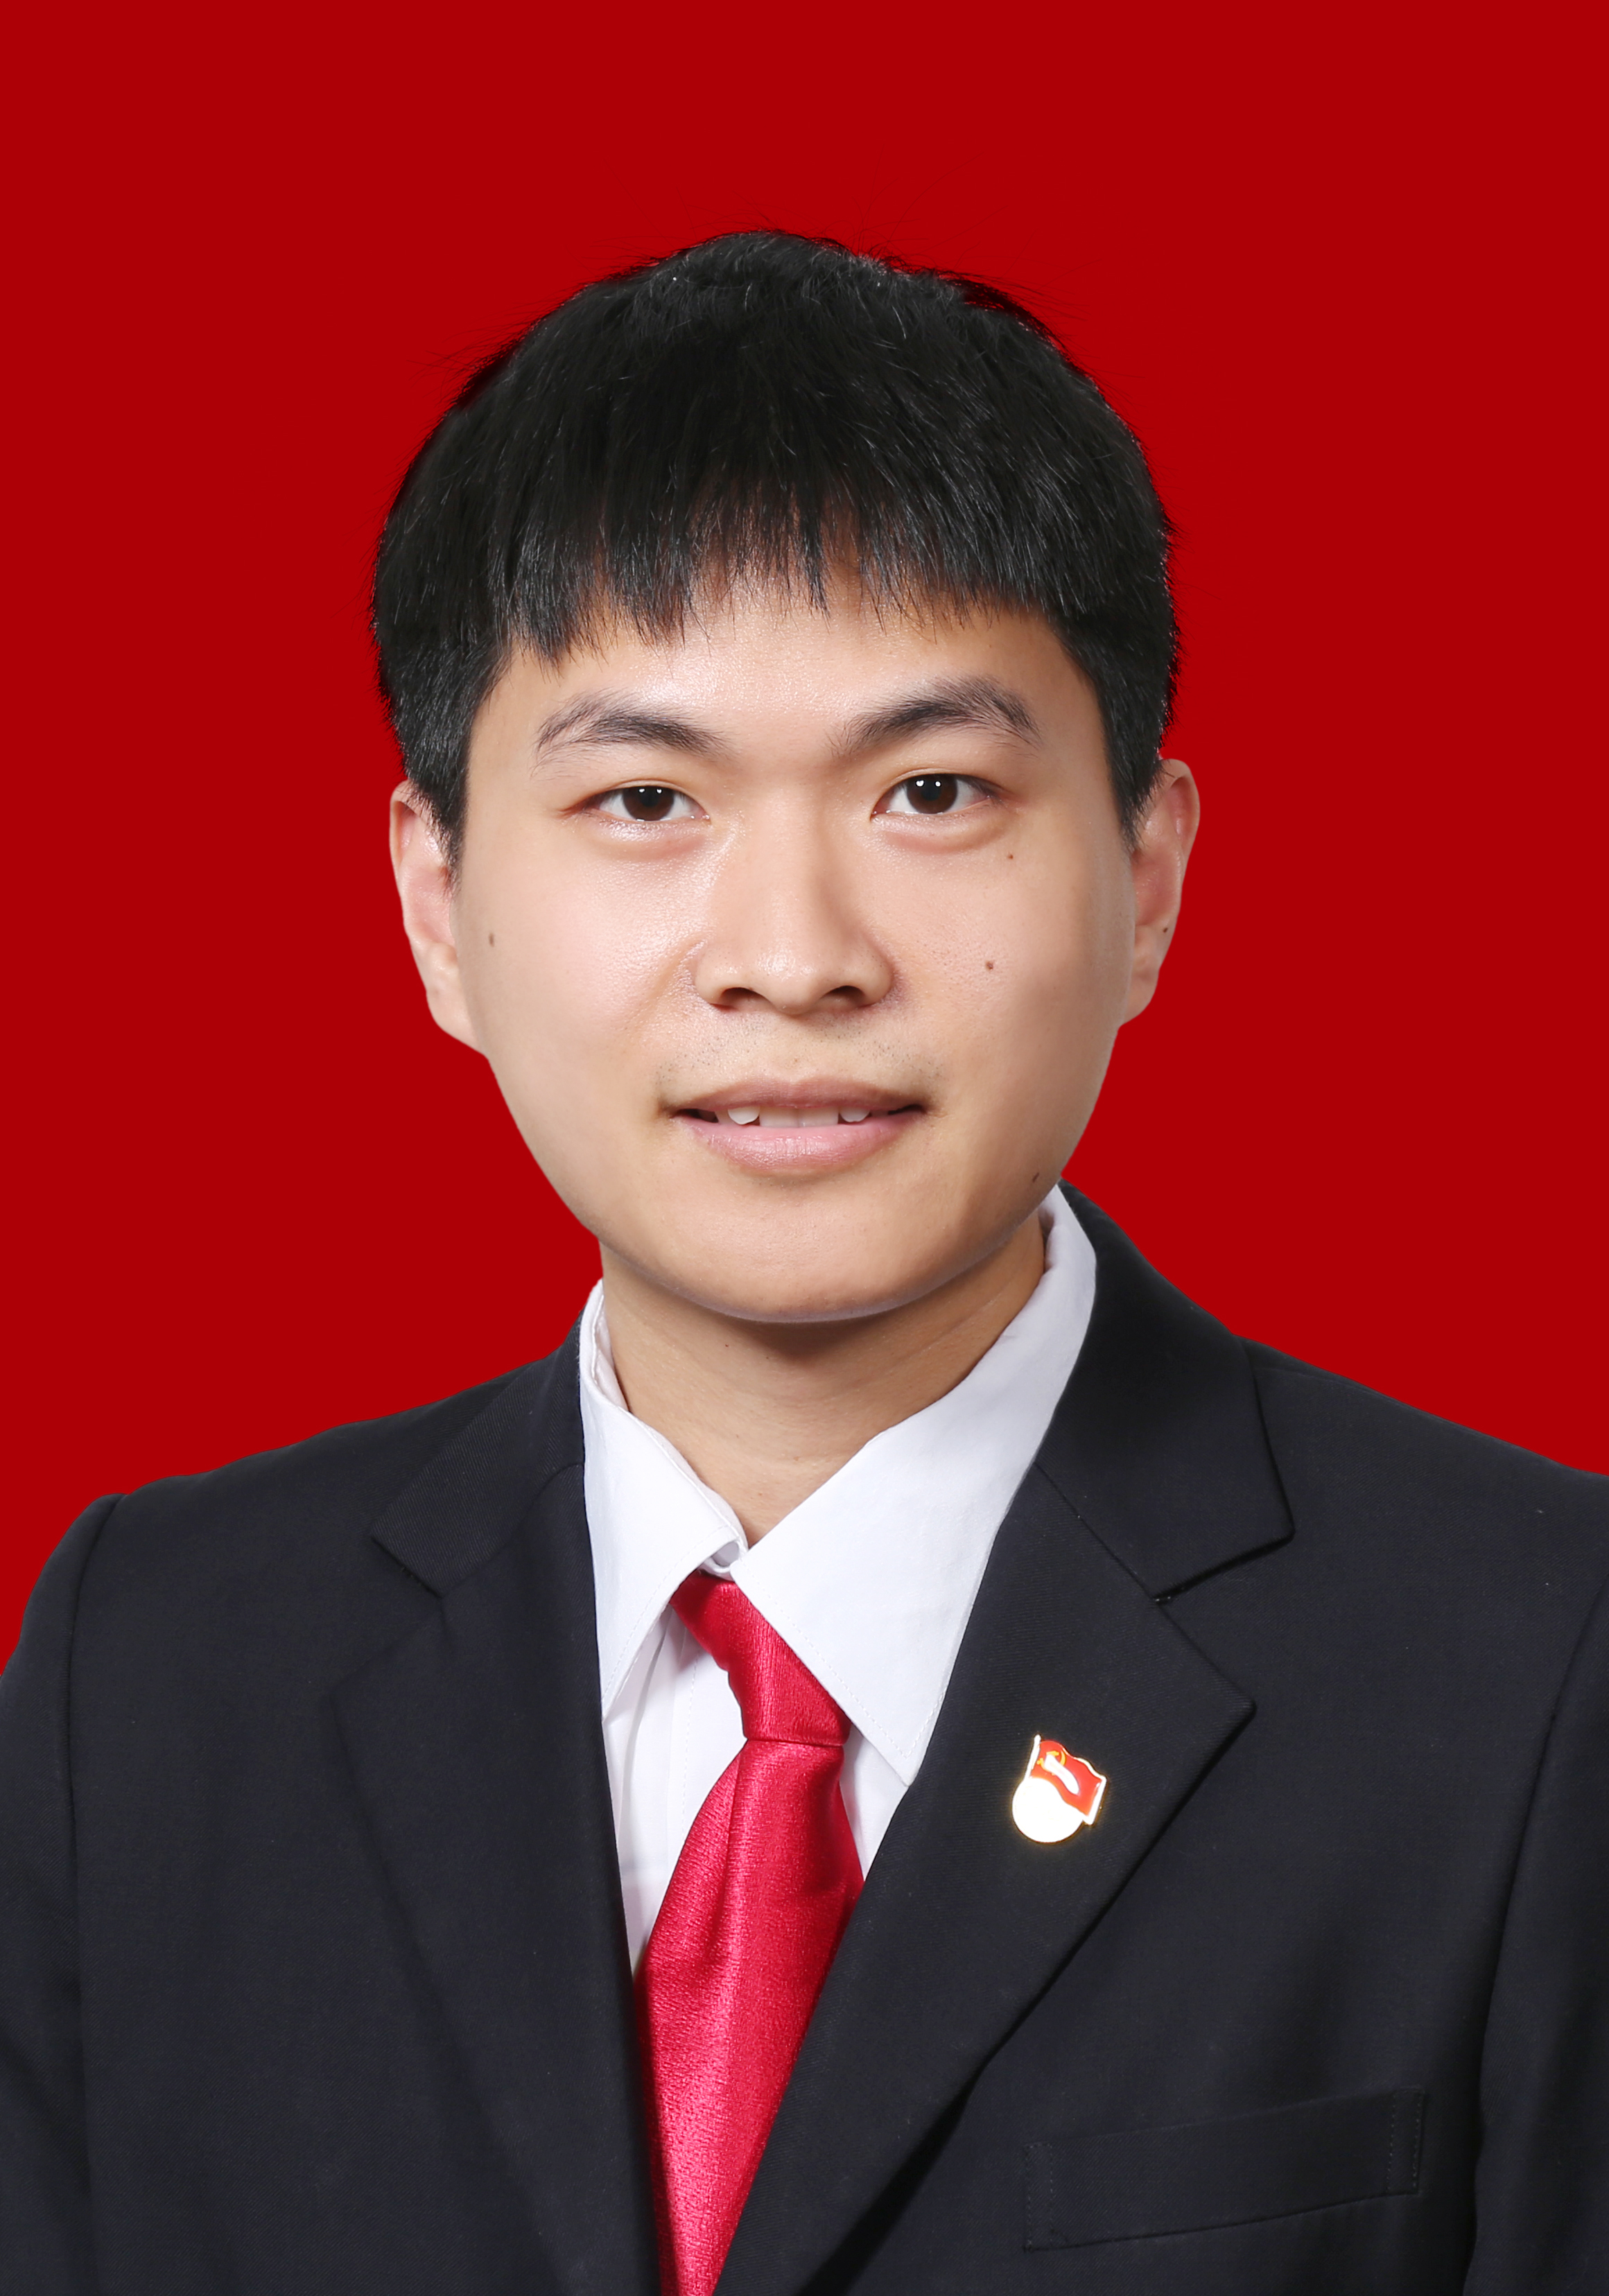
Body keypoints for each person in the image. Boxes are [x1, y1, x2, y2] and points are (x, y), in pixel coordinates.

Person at [1, 232, 1604, 2296]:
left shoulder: (1534, 1670)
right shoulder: (152, 1669)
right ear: (437, 905)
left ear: (1143, 881)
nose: (791, 955)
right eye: (644, 798)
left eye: (931, 791)